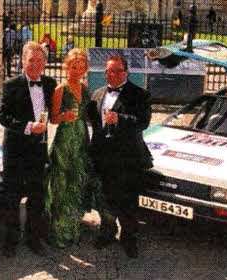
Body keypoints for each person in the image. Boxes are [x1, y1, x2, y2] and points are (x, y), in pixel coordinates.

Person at [87, 55, 153, 258]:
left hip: (126, 157)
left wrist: (120, 118)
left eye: (117, 71)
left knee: (126, 200)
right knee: (104, 198)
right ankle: (107, 231)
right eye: (109, 71)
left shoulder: (140, 94)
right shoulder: (97, 93)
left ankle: (129, 238)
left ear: (126, 72)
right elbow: (92, 121)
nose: (112, 75)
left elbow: (143, 122)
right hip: (102, 156)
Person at [0, 42, 57, 258]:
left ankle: (34, 238)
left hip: (38, 150)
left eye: (40, 61)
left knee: (36, 196)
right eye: (31, 60)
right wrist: (28, 127)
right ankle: (11, 240)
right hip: (15, 149)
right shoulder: (10, 85)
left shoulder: (51, 83)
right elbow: (2, 116)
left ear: (45, 63)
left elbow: (57, 110)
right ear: (23, 61)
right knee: (12, 196)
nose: (35, 65)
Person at [45, 48, 93, 248]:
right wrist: (63, 116)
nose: (77, 71)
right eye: (74, 67)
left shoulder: (84, 86)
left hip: (81, 137)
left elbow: (88, 114)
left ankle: (73, 222)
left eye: (81, 67)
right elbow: (53, 118)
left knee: (78, 180)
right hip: (65, 139)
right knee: (62, 182)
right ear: (66, 67)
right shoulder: (60, 89)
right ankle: (60, 229)